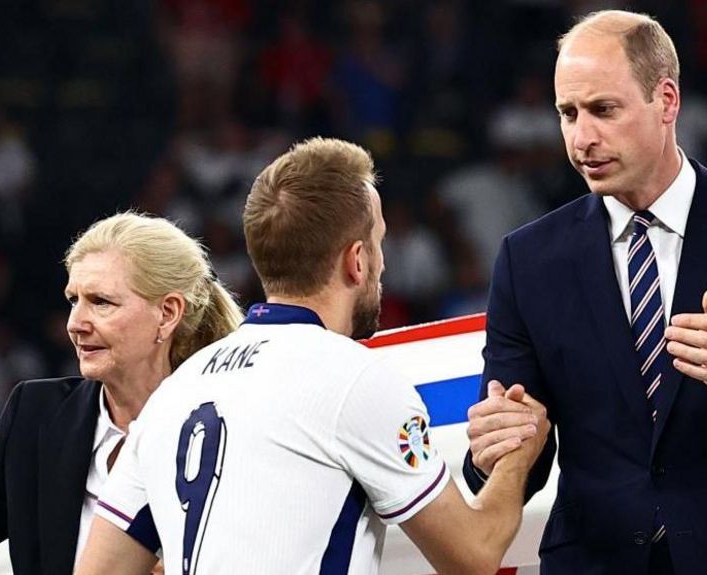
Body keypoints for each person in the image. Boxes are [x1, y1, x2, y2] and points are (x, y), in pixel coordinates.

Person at [462, 10, 707, 575]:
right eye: (567, 114)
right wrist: (495, 451)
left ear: (666, 101)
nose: (582, 138)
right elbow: (519, 456)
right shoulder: (529, 260)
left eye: (603, 110)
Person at [76, 137, 550, 575]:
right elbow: (474, 555)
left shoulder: (174, 392)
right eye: (379, 243)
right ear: (356, 260)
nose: (381, 264)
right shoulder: (355, 379)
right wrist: (520, 453)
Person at [0, 212, 244, 575]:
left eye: (101, 302)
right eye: (74, 300)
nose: (75, 324)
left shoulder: (237, 427)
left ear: (167, 313)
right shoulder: (35, 416)